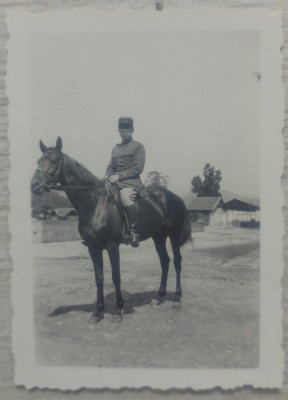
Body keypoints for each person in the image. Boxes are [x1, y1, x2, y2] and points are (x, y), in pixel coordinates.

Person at [105, 117, 146, 247]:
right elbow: (111, 166)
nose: (125, 131)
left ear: (132, 130)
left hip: (131, 182)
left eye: (127, 128)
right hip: (115, 182)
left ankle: (133, 232)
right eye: (122, 128)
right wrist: (108, 175)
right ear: (118, 130)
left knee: (125, 197)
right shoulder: (115, 148)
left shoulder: (138, 147)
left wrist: (119, 176)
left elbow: (138, 168)